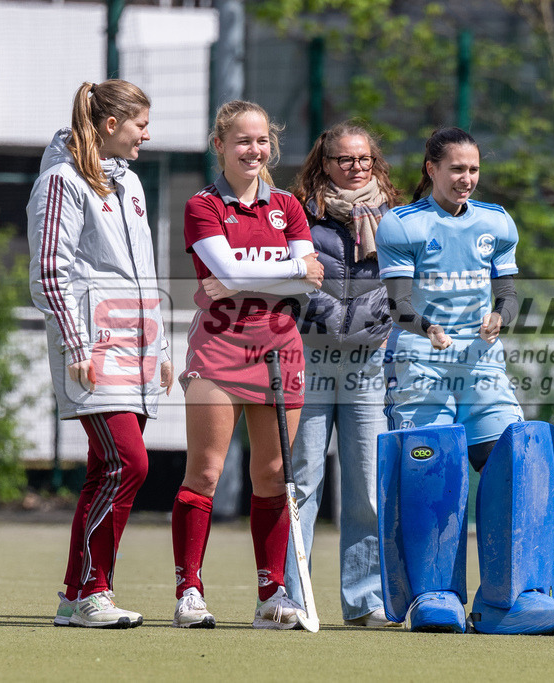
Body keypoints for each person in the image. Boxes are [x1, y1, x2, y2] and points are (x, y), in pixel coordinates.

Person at [374, 127, 554, 635]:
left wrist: (500, 318)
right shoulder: (401, 226)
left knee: (516, 453)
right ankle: (432, 595)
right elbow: (398, 306)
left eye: (473, 169)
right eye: (456, 169)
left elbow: (506, 294)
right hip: (422, 360)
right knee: (434, 466)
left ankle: (510, 600)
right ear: (432, 169)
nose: (466, 179)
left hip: (482, 364)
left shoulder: (497, 222)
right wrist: (426, 326)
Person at [170, 100, 323, 630]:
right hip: (218, 349)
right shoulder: (202, 205)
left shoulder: (289, 206)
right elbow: (230, 274)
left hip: (280, 350)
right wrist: (285, 267)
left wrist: (255, 274)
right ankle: (189, 590)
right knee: (206, 472)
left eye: (261, 141)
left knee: (275, 475)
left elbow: (310, 279)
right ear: (220, 145)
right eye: (241, 141)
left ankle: (270, 595)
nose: (253, 150)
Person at [28, 80, 173, 629]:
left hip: (133, 352)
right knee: (128, 463)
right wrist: (75, 343)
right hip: (91, 350)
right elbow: (49, 270)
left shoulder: (129, 182)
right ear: (111, 126)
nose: (146, 134)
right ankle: (93, 590)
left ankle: (76, 594)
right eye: (139, 124)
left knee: (105, 468)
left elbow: (142, 272)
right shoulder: (61, 181)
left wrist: (157, 346)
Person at [282, 121, 402, 628]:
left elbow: (409, 287)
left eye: (364, 160)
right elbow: (286, 281)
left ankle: (365, 601)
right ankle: (293, 596)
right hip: (309, 360)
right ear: (323, 163)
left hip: (368, 365)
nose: (356, 169)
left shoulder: (396, 219)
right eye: (345, 160)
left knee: (367, 488)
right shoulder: (296, 215)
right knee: (302, 481)